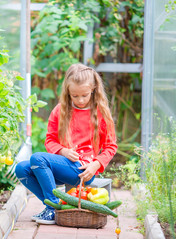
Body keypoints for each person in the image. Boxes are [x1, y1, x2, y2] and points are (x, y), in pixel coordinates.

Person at [15, 63, 118, 225]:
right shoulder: (60, 110)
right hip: (62, 166)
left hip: (84, 170)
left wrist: (95, 165)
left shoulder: (101, 112)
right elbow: (50, 140)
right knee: (21, 168)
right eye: (74, 96)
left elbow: (111, 146)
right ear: (68, 92)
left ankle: (51, 208)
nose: (80, 100)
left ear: (93, 89)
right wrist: (63, 151)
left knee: (37, 158)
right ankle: (55, 206)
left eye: (85, 95)